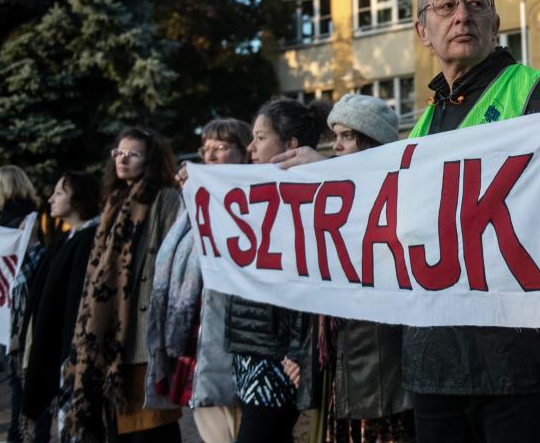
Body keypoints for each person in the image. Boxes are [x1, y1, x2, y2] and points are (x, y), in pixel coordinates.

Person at [400, 0, 540, 442]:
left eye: (475, 3)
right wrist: (314, 179)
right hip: (436, 366)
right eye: (445, 6)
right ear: (424, 31)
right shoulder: (423, 125)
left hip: (519, 364)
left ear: (495, 21)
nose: (461, 15)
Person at [274, 94, 415, 443]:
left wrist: (323, 170)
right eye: (334, 136)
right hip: (339, 362)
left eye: (347, 136)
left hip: (377, 366)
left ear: (372, 141)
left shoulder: (397, 188)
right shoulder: (330, 188)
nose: (335, 146)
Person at [63, 127, 184, 442]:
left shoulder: (166, 198)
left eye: (133, 154)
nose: (123, 159)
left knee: (153, 430)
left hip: (145, 336)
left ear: (150, 160)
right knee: (120, 432)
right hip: (111, 339)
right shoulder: (114, 203)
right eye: (119, 152)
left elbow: (175, 259)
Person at [225, 99, 328, 443]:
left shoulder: (312, 201)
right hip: (251, 349)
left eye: (260, 137)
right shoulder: (256, 195)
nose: (250, 147)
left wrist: (301, 349)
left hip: (278, 358)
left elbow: (313, 280)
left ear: (291, 146)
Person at [174, 118, 252, 443]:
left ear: (244, 151)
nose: (211, 156)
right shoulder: (192, 198)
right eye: (205, 149)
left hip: (245, 339)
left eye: (221, 147)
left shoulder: (257, 196)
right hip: (203, 338)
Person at [21, 171, 101, 440]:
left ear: (77, 199)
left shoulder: (88, 240)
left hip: (74, 355)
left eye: (59, 193)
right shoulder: (66, 240)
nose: (51, 199)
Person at [0, 165, 49, 443]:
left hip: (18, 313)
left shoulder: (21, 221)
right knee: (22, 378)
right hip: (14, 309)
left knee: (23, 378)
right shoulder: (16, 218)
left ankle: (24, 435)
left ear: (4, 189)